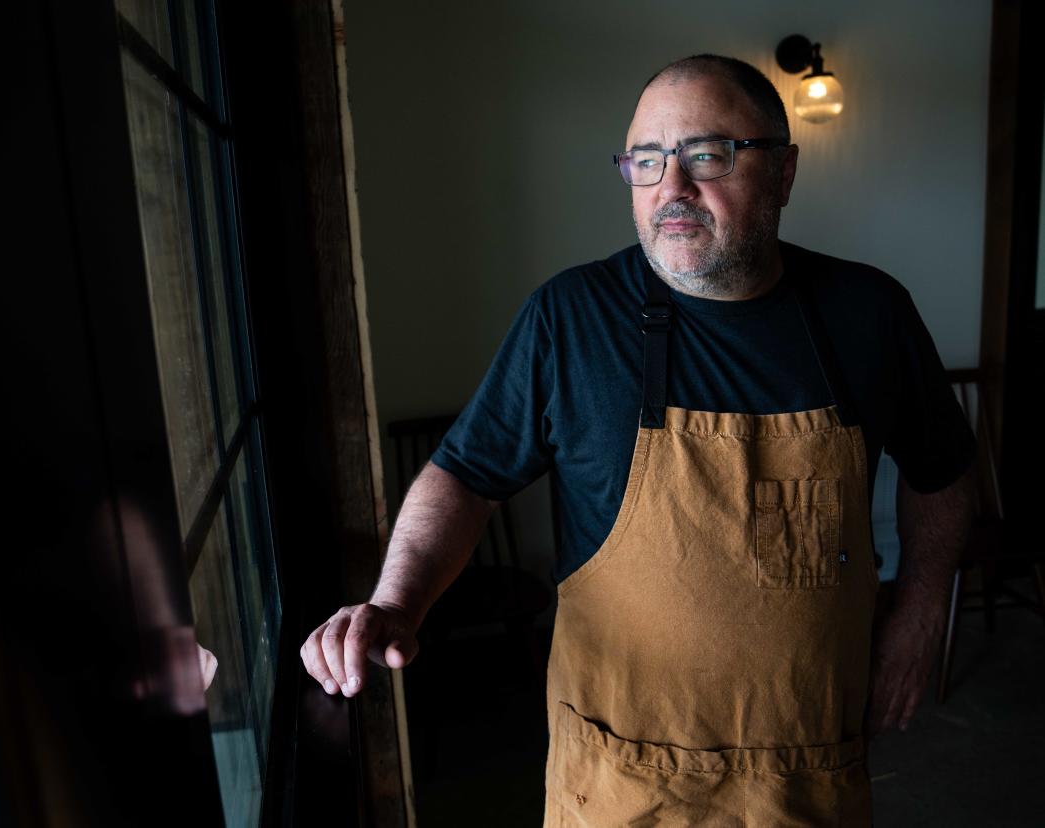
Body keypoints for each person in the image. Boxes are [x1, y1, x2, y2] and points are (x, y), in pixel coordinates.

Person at [300, 53, 977, 825]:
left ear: (784, 173)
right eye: (646, 160)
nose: (672, 189)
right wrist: (397, 601)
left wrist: (921, 612)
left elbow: (944, 473)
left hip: (805, 773)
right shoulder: (570, 317)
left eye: (708, 155)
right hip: (621, 779)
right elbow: (465, 474)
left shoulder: (870, 314)